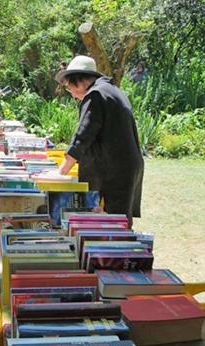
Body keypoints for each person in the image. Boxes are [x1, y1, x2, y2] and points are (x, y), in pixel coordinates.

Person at [56, 55, 144, 225]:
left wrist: (60, 174)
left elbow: (82, 137)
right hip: (123, 167)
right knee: (117, 220)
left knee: (115, 224)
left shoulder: (95, 95)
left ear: (79, 81)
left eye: (69, 87)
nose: (72, 94)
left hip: (115, 170)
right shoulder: (111, 90)